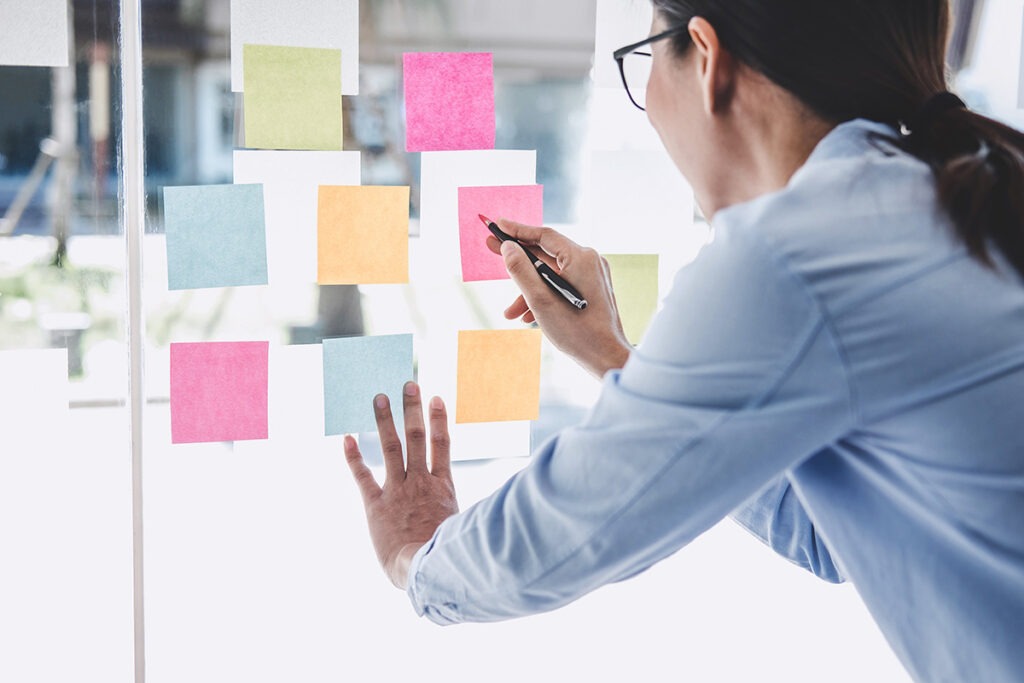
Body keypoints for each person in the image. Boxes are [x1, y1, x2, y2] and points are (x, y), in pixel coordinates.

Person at [342, 1, 1024, 680]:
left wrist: (416, 556)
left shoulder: (796, 253)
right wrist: (610, 354)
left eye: (642, 63)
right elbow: (836, 534)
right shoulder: (938, 195)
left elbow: (573, 528)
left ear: (706, 57)